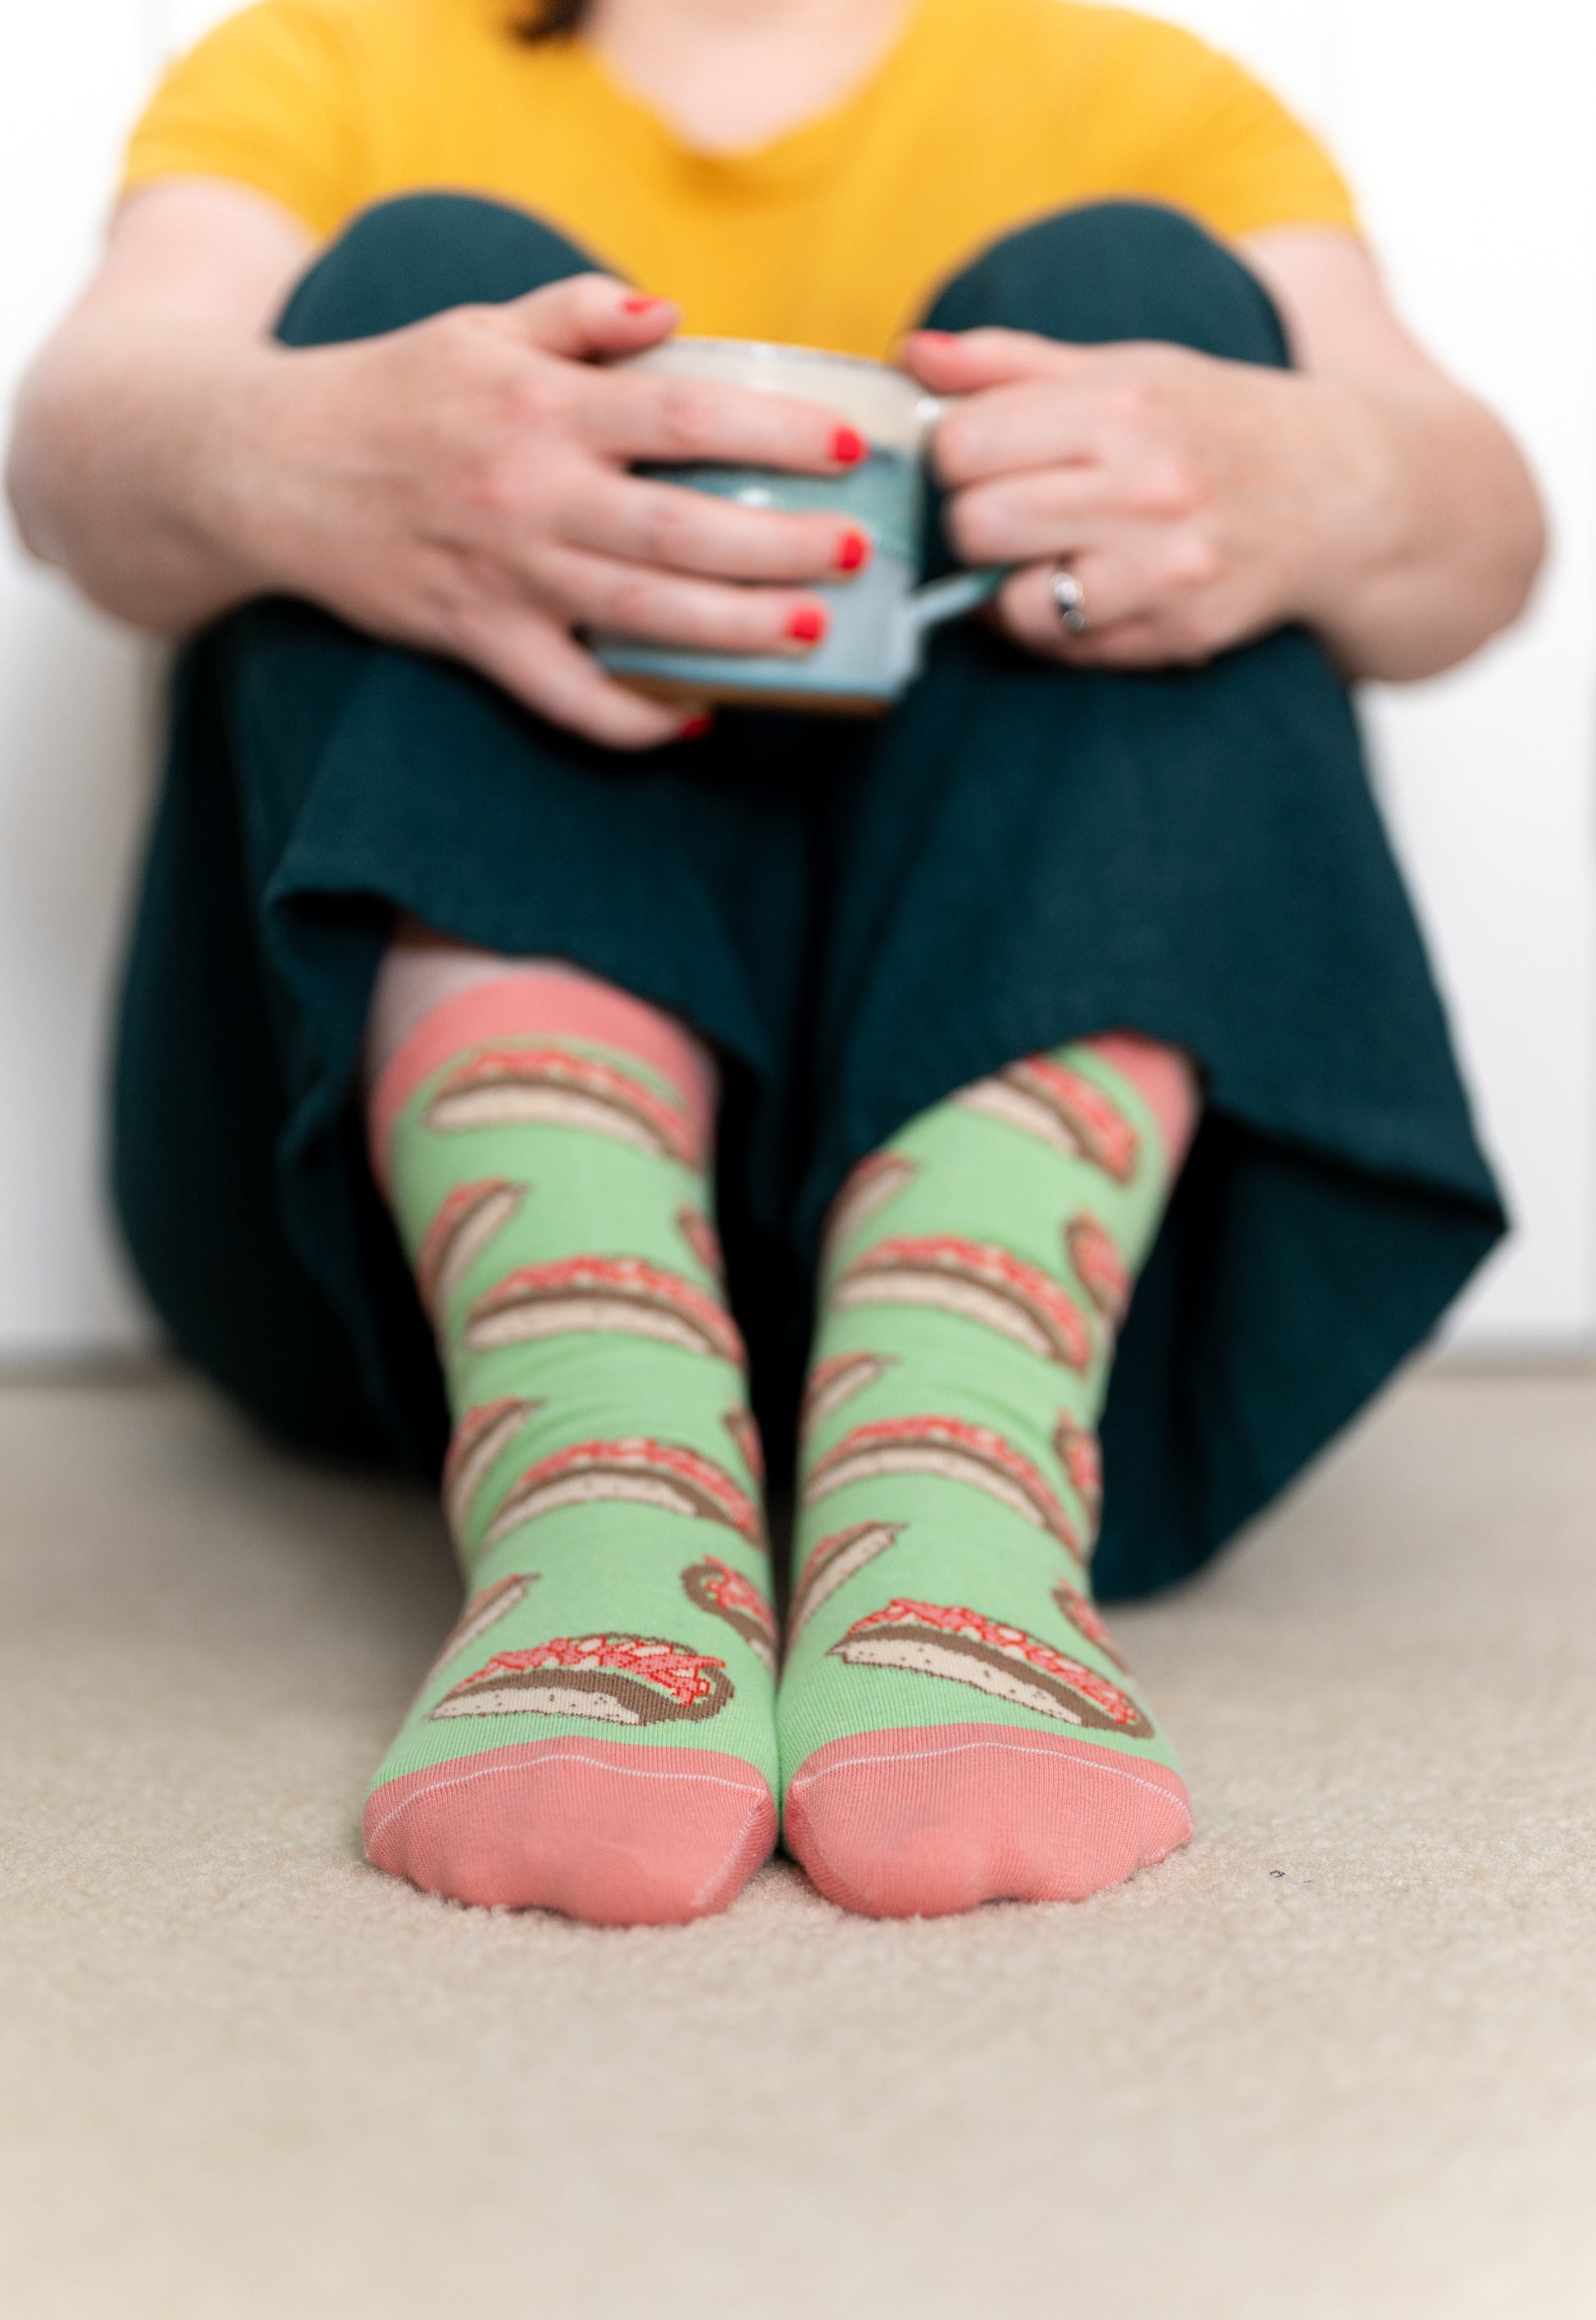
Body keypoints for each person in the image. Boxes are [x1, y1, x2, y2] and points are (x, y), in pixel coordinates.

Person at [7, 0, 1540, 1927]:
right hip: (378, 1254)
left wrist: (1301, 482)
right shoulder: (334, 55)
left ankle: (955, 1440)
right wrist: (318, 444)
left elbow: (1478, 532)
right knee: (425, 282)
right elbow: (74, 447)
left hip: (1049, 1249)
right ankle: (594, 1434)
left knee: (1142, 305)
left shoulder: (1130, 93)